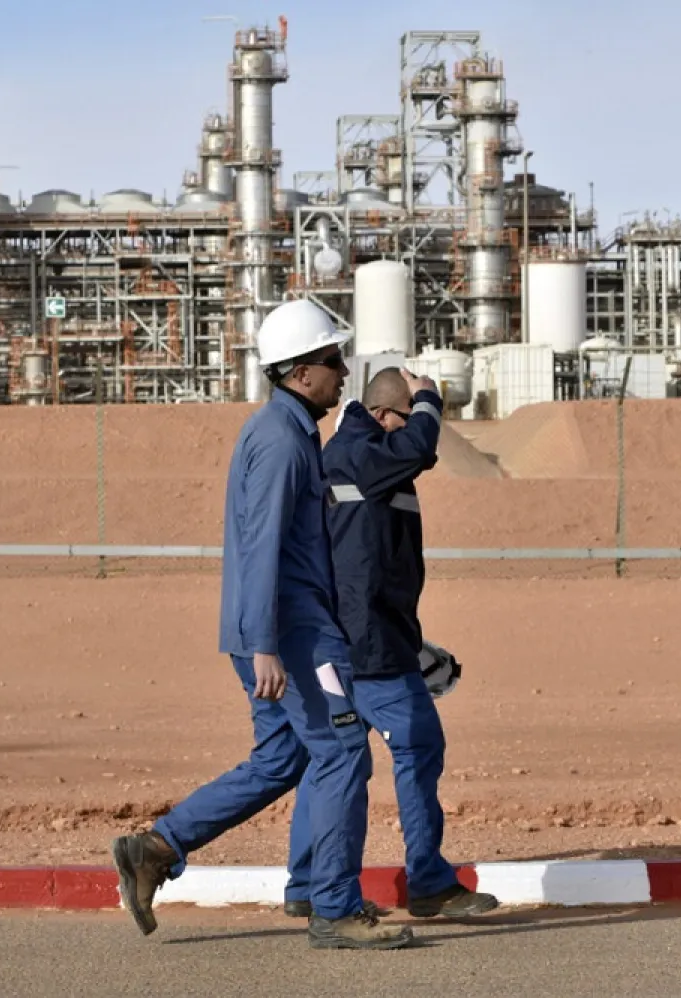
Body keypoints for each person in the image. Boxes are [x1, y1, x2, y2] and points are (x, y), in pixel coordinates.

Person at [109, 300, 414, 951]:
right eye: (334, 360)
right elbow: (261, 546)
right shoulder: (280, 441)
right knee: (342, 750)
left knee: (284, 757)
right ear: (302, 372)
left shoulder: (291, 430)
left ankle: (158, 848)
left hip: (281, 631)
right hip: (291, 635)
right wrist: (265, 647)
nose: (343, 372)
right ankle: (333, 907)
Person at [281, 365, 500, 920]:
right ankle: (426, 878)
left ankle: (305, 885)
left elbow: (374, 562)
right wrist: (428, 399)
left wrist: (416, 643)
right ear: (383, 415)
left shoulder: (368, 459)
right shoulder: (359, 451)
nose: (415, 428)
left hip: (371, 637)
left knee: (325, 760)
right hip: (368, 647)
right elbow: (420, 448)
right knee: (418, 744)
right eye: (407, 415)